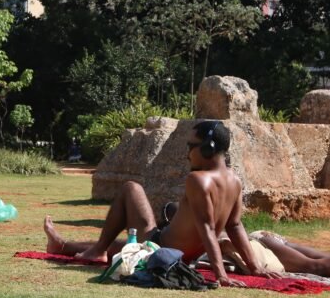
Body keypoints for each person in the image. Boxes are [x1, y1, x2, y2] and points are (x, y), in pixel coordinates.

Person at [43, 121, 281, 287]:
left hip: (161, 245)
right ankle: (64, 246)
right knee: (123, 246)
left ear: (207, 148)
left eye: (190, 146)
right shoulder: (235, 181)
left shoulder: (198, 179)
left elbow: (207, 228)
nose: (187, 154)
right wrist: (255, 267)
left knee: (131, 188)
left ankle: (95, 250)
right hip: (183, 255)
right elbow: (235, 226)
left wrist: (220, 274)